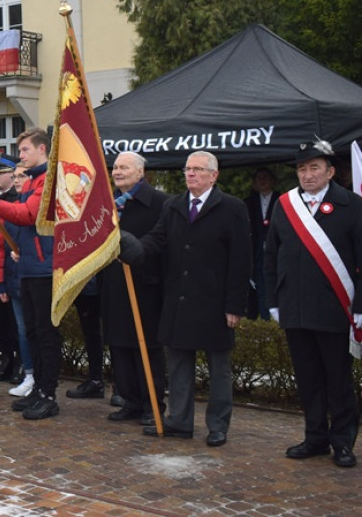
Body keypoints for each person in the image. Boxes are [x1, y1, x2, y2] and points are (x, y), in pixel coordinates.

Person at [121, 150, 251, 447]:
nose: (190, 174)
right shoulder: (174, 205)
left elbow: (241, 260)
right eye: (187, 169)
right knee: (178, 364)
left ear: (213, 175)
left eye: (197, 169)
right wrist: (133, 247)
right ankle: (179, 421)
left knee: (219, 369)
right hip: (179, 299)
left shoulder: (232, 208)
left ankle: (218, 425)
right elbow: (157, 239)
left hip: (215, 302)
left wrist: (235, 305)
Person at [264, 140, 362, 468]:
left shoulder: (351, 205)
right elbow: (271, 257)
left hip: (335, 309)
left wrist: (360, 306)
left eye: (315, 167)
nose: (307, 175)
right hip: (296, 309)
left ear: (331, 171)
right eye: (302, 169)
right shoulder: (284, 205)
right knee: (308, 379)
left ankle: (343, 442)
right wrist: (274, 301)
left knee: (338, 379)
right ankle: (315, 437)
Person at [0, 127, 60, 420]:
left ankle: (49, 393)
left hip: (44, 268)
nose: (20, 155)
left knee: (46, 334)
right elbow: (22, 225)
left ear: (41, 150)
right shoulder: (34, 180)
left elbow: (28, 216)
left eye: (24, 150)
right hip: (30, 265)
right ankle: (38, 389)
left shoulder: (46, 180)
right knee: (34, 331)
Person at [101, 152, 168, 425]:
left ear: (140, 172)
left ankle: (152, 404)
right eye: (115, 167)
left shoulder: (161, 203)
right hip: (114, 283)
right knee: (119, 345)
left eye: (124, 167)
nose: (117, 172)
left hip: (146, 285)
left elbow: (164, 245)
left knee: (147, 349)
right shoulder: (107, 204)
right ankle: (129, 400)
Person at [0, 154, 24, 384]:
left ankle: (19, 361)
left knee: (14, 320)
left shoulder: (16, 200)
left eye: (2, 174)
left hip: (10, 266)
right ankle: (6, 359)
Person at [244, 167, 276, 320]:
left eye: (265, 177)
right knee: (256, 285)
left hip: (275, 250)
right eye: (259, 178)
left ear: (272, 180)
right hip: (254, 250)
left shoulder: (282, 200)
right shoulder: (248, 202)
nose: (262, 180)